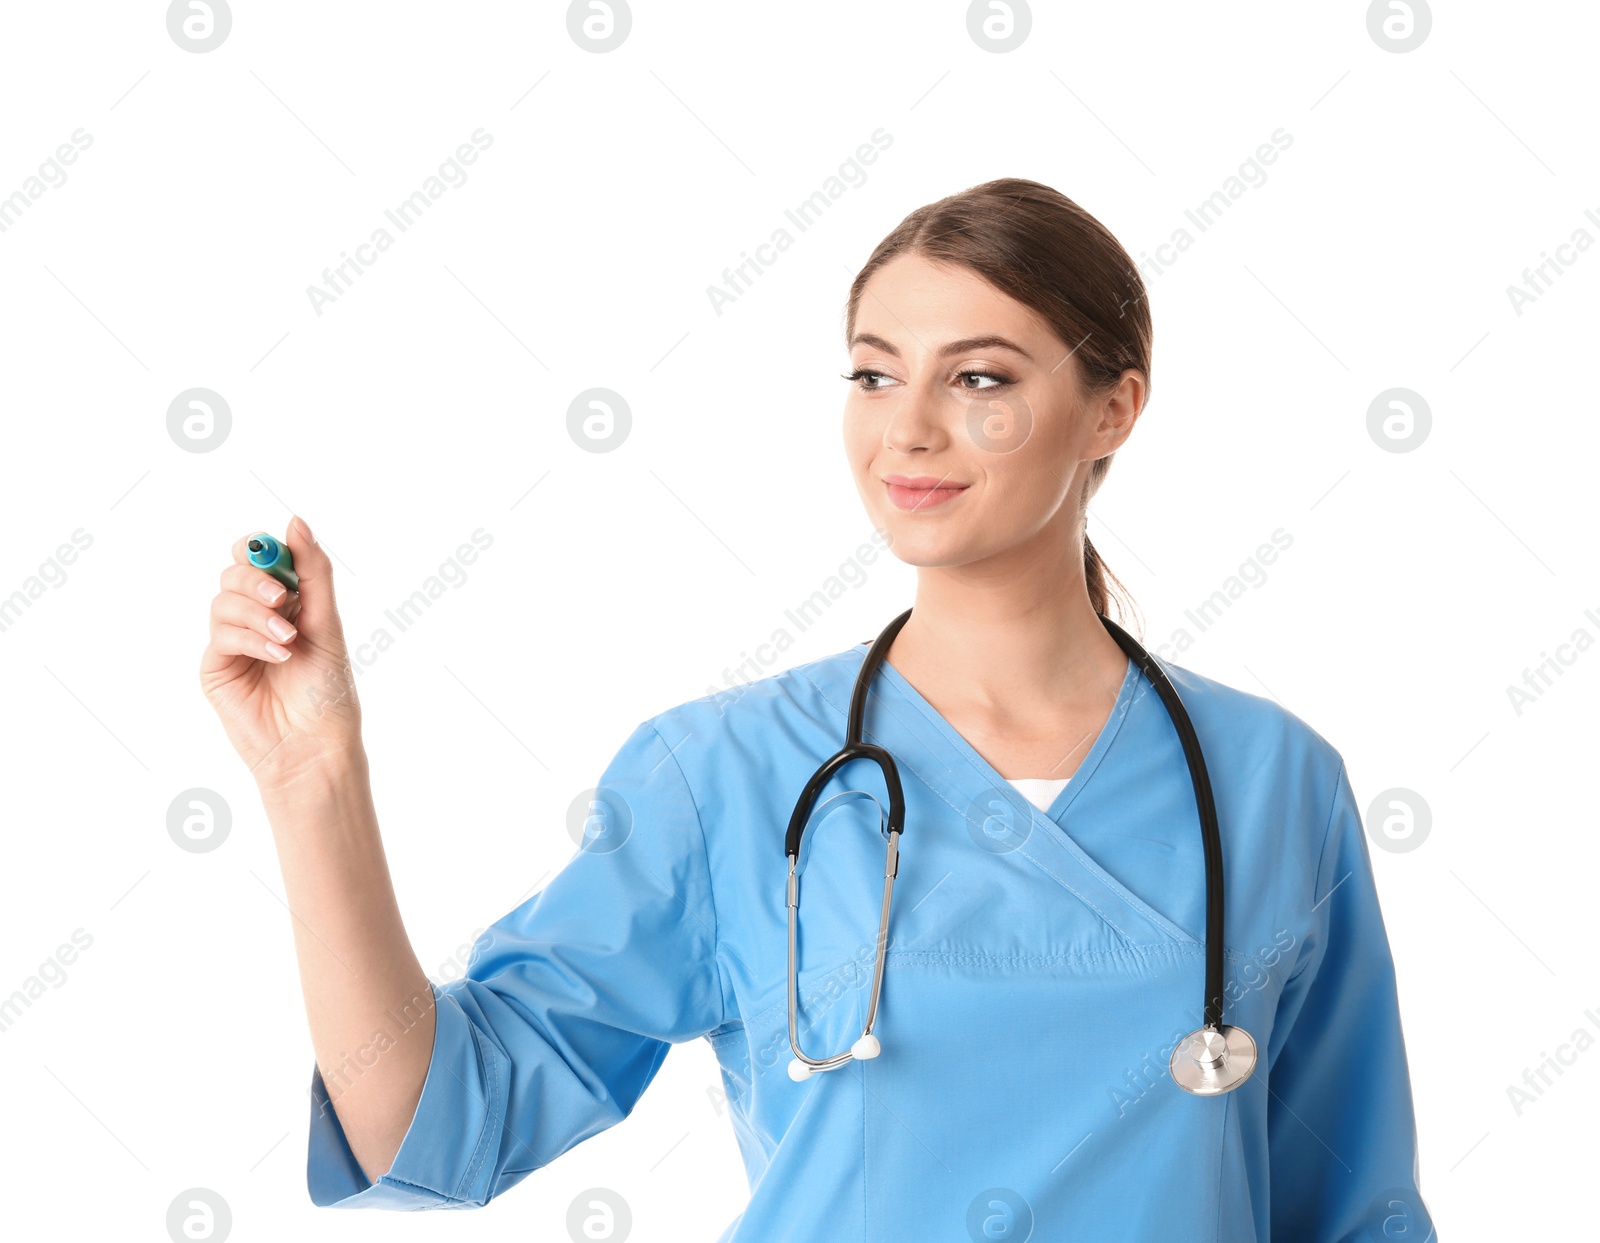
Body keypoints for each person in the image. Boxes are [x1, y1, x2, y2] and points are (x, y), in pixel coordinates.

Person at [200, 177, 1432, 1241]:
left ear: (1112, 408)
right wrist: (314, 785)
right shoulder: (727, 773)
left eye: (981, 378)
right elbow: (436, 1122)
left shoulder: (1270, 781)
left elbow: (1359, 1212)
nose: (906, 429)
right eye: (873, 373)